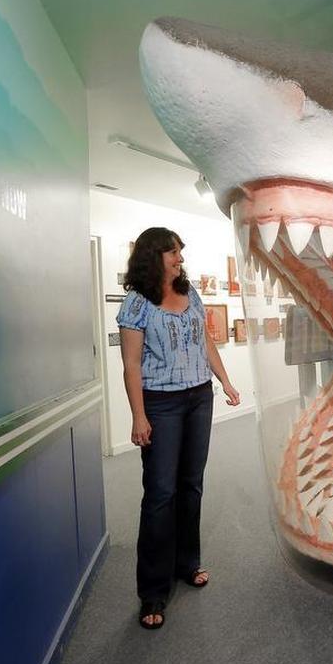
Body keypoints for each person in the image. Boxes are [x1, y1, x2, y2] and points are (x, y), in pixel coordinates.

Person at [116, 227, 240, 630]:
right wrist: (139, 415)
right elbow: (131, 365)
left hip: (198, 398)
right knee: (160, 493)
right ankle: (153, 589)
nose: (180, 259)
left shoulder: (193, 295)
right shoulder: (136, 303)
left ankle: (187, 563)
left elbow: (206, 343)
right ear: (154, 256)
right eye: (173, 252)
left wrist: (224, 380)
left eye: (180, 252)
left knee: (191, 485)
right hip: (162, 404)